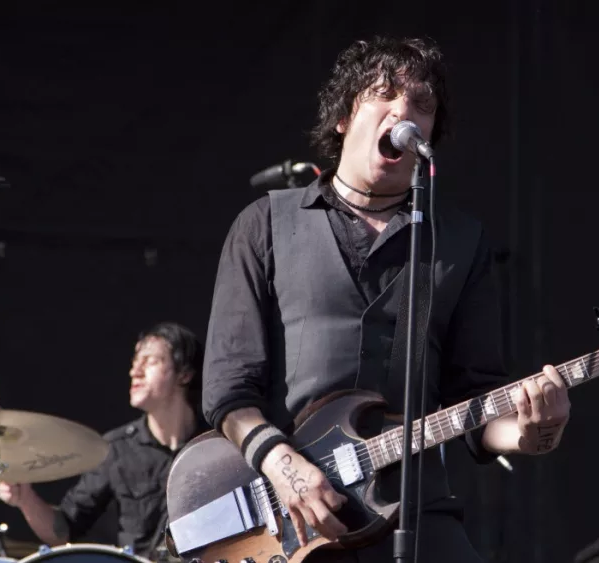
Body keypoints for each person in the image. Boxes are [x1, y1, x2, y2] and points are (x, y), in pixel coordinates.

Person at [202, 36, 571, 562]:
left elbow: (478, 402)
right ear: (343, 119)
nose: (404, 111)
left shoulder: (460, 243)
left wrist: (536, 432)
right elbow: (227, 390)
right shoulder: (265, 223)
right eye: (384, 94)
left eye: (423, 105)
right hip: (289, 512)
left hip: (414, 509)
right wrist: (285, 466)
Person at [0, 322, 206, 557]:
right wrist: (25, 498)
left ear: (185, 373)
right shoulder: (118, 448)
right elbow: (64, 531)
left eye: (150, 361)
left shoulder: (216, 444)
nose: (134, 371)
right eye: (135, 362)